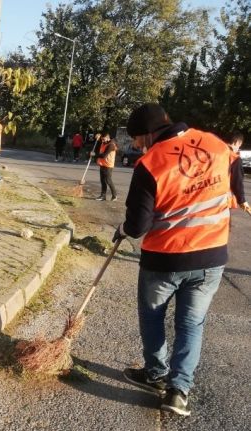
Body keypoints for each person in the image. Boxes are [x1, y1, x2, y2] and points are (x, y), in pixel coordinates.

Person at [115, 103, 247, 416]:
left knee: (152, 316)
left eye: (136, 139)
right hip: (211, 256)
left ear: (149, 134)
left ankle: (156, 373)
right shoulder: (217, 145)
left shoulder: (151, 163)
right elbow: (237, 182)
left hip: (165, 259)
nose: (135, 145)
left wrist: (121, 229)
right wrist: (238, 199)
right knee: (191, 324)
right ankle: (178, 391)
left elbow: (137, 227)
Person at [91, 133, 117, 201]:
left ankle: (114, 196)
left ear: (108, 138)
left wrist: (94, 155)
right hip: (102, 164)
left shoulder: (111, 145)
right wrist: (98, 137)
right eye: (102, 139)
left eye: (104, 138)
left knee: (108, 180)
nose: (102, 140)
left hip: (108, 165)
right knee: (103, 181)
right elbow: (99, 140)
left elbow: (103, 155)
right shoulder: (104, 143)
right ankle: (103, 196)